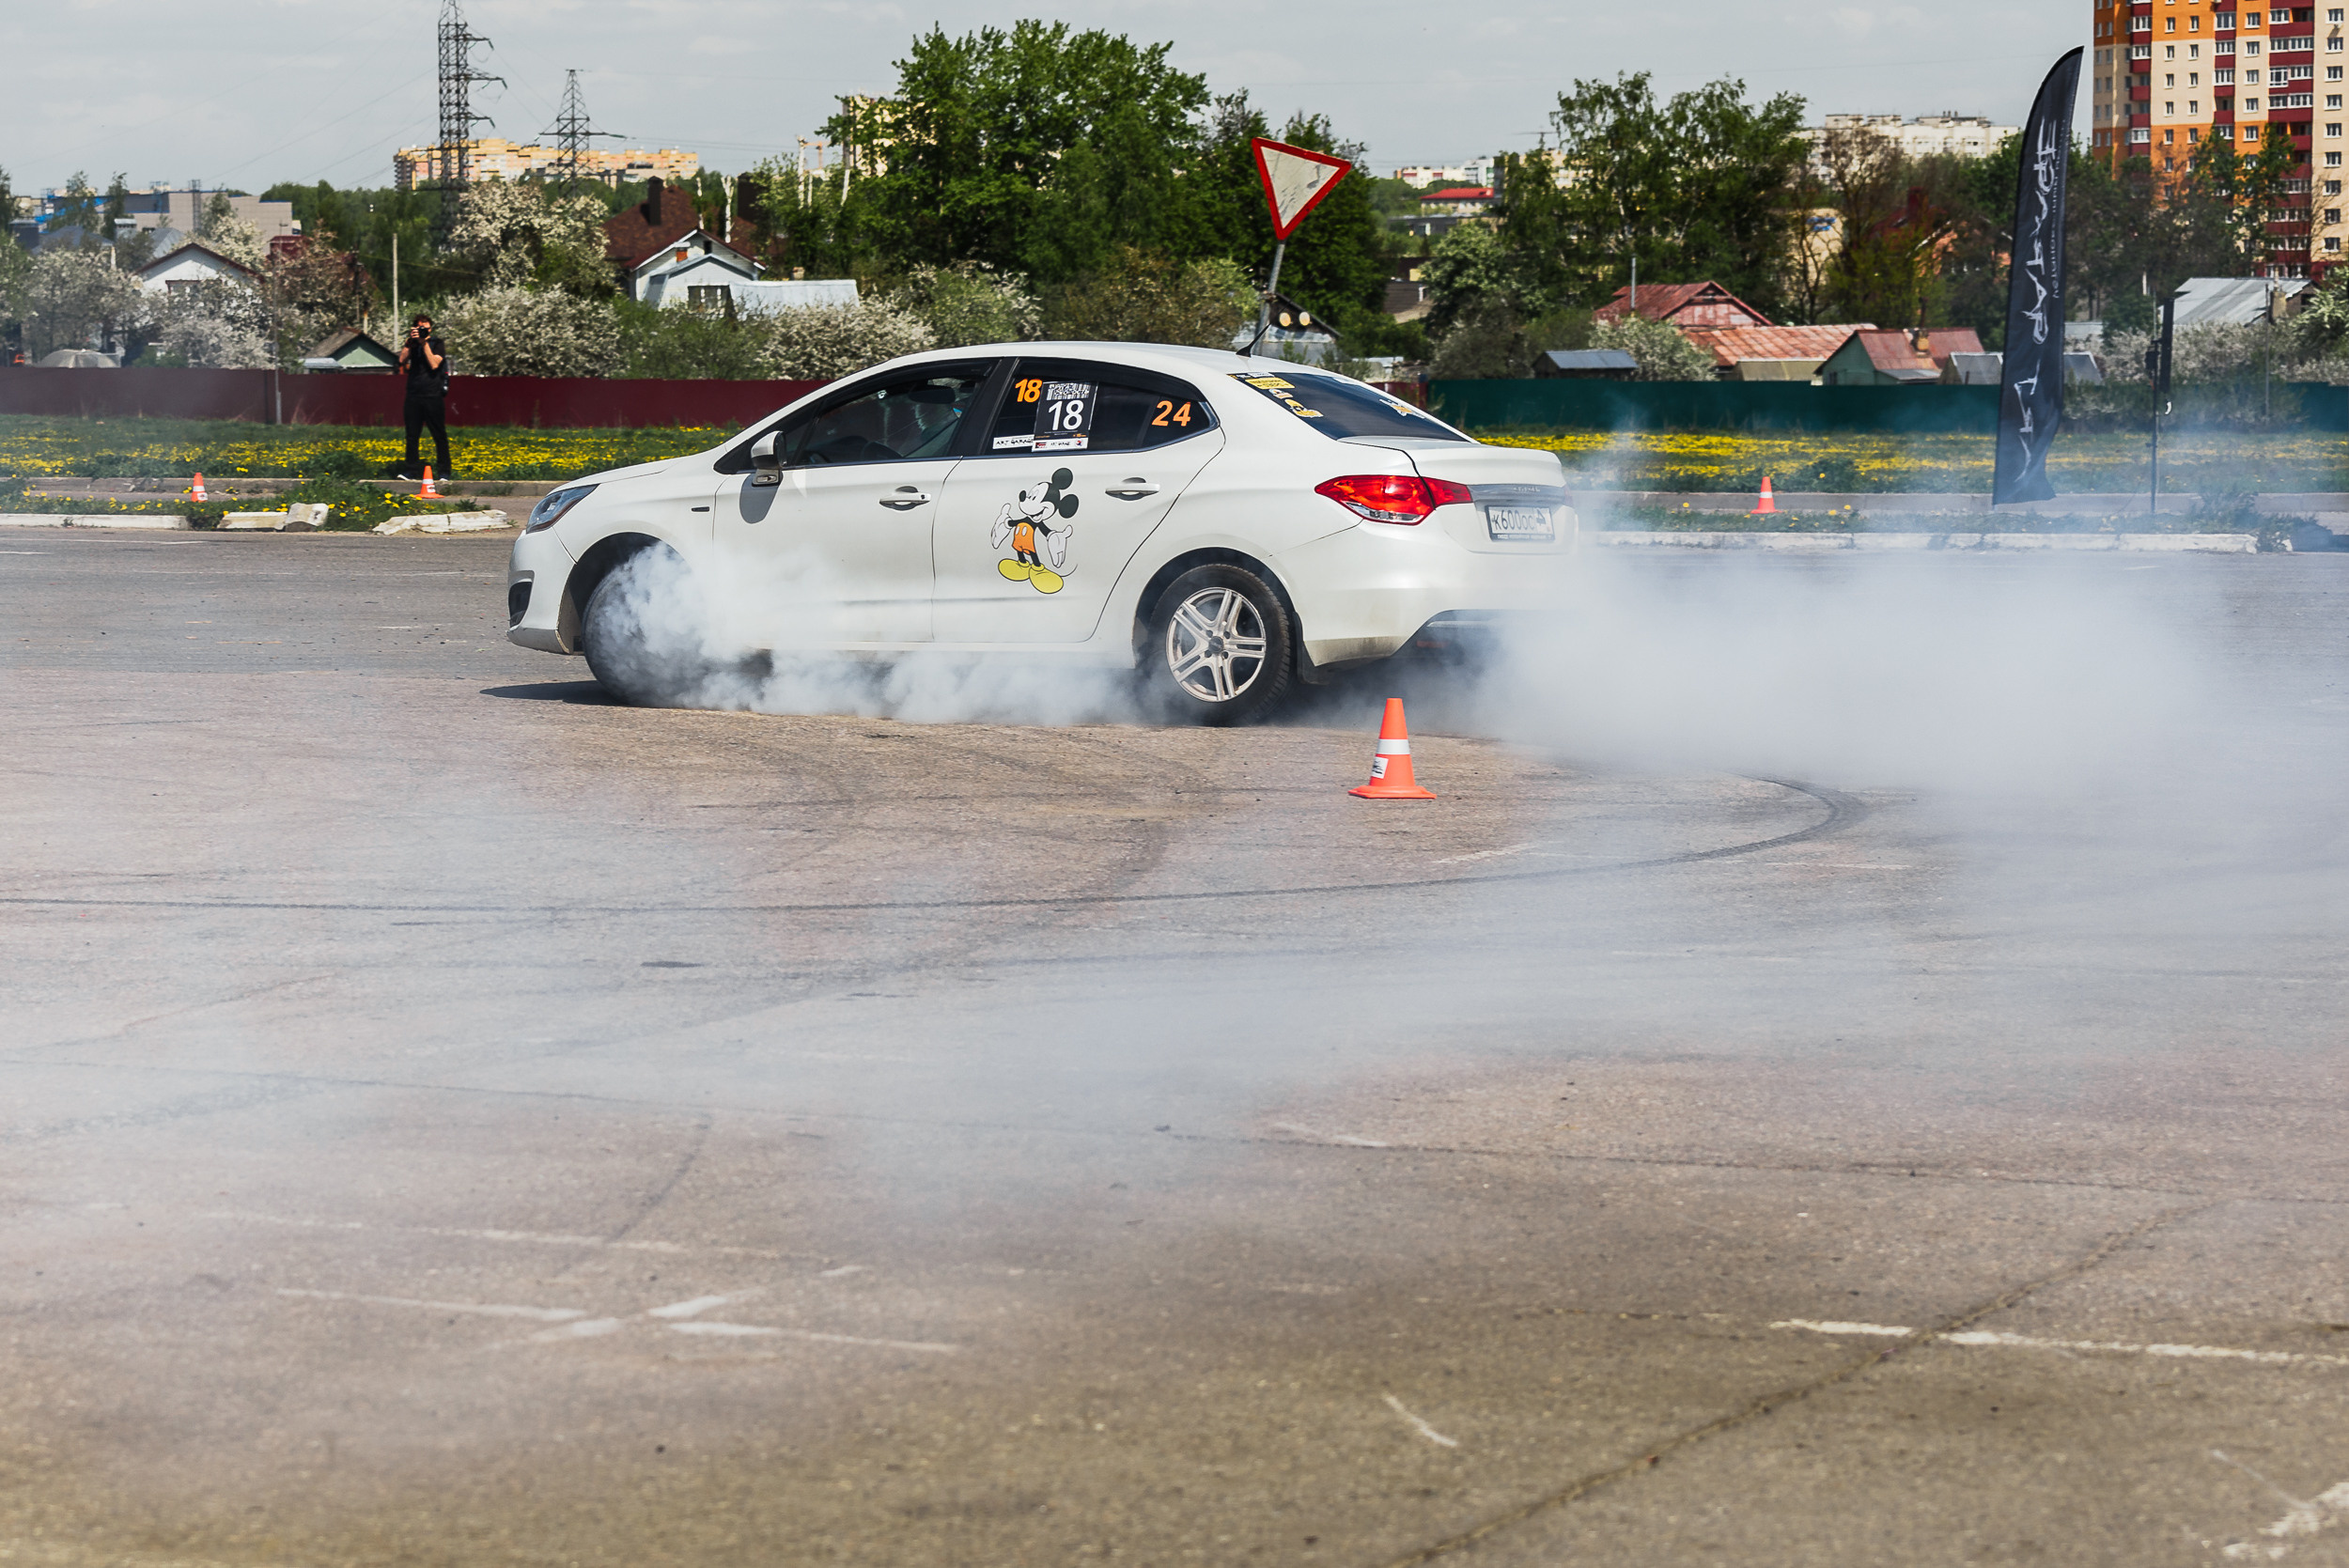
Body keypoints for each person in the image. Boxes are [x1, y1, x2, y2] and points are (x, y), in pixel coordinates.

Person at [395, 313, 451, 478]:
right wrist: (409, 343)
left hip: (433, 395)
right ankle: (411, 470)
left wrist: (424, 343)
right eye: (418, 327)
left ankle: (444, 472)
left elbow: (434, 364)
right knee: (412, 435)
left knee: (439, 434)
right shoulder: (412, 344)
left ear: (430, 328)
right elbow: (401, 361)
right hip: (413, 394)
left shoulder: (437, 343)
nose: (421, 329)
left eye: (424, 327)